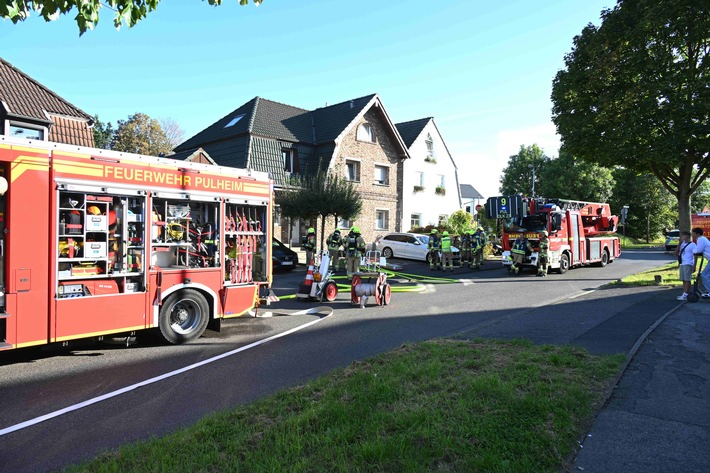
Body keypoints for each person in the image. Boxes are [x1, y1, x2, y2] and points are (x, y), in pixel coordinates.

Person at [676, 231, 696, 300]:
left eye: (683, 236)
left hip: (688, 263)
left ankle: (686, 294)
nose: (681, 237)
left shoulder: (692, 245)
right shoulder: (682, 244)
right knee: (683, 279)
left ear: (687, 237)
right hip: (682, 263)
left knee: (687, 279)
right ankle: (684, 293)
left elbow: (695, 255)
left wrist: (694, 265)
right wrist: (679, 243)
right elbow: (675, 252)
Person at [691, 227, 710, 298]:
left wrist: (693, 251)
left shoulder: (701, 239)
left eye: (693, 233)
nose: (692, 235)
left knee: (704, 275)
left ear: (698, 234)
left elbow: (698, 250)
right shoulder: (702, 239)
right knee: (707, 275)